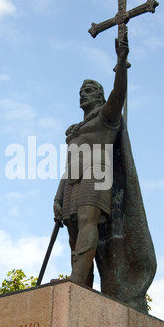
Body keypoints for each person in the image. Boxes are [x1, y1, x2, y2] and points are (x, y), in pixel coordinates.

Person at [53, 35, 129, 288]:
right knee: (73, 228)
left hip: (97, 173)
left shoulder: (105, 117)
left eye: (88, 92)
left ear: (99, 97)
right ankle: (82, 283)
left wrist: (120, 62)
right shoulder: (75, 129)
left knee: (87, 221)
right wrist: (58, 195)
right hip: (73, 179)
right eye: (80, 92)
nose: (82, 96)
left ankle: (76, 279)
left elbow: (119, 94)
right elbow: (68, 164)